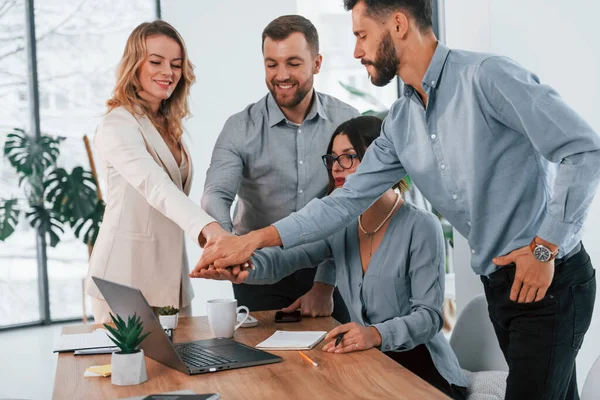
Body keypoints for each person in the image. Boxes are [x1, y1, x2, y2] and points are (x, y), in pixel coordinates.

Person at [193, 1, 600, 399]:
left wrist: (546, 248)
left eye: (362, 35)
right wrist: (252, 240)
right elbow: (342, 202)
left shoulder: (485, 77)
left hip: (551, 278)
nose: (356, 51)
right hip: (500, 284)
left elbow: (583, 149)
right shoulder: (402, 122)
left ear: (399, 25)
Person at [196, 116, 468, 399]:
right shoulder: (341, 226)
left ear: (381, 162)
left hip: (422, 368)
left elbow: (429, 317)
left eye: (349, 157)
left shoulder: (422, 226)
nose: (337, 167)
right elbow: (283, 260)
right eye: (333, 158)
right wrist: (239, 267)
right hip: (369, 361)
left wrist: (374, 334)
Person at [200, 15, 358, 321]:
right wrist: (226, 244)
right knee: (268, 366)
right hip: (257, 272)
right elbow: (215, 194)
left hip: (328, 270)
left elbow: (351, 209)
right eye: (272, 64)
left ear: (317, 63)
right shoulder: (239, 127)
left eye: (293, 63)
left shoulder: (346, 121)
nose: (281, 75)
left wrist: (325, 284)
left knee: (340, 365)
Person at [85, 20, 230, 323]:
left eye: (176, 64)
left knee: (180, 367)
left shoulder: (168, 124)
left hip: (171, 281)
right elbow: (156, 186)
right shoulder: (118, 124)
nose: (168, 72)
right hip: (125, 280)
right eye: (156, 61)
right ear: (134, 65)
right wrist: (210, 230)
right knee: (131, 371)